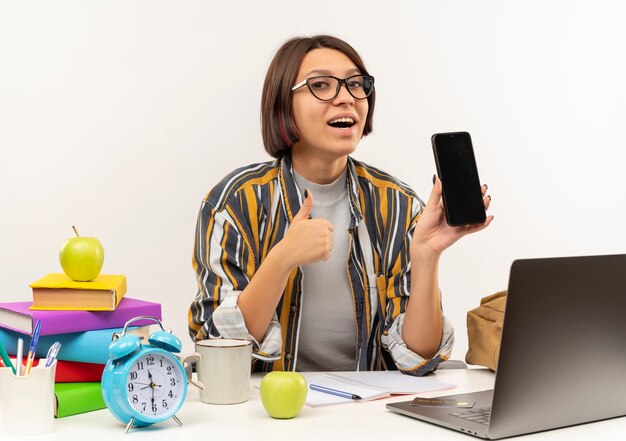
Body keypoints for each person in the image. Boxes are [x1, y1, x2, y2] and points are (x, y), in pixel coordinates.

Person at [188, 35, 492, 375]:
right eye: (321, 85)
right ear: (282, 104)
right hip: (265, 417)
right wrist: (282, 259)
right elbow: (215, 347)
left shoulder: (397, 204)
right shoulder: (235, 202)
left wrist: (426, 255)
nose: (346, 97)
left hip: (368, 414)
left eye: (355, 85)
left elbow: (418, 360)